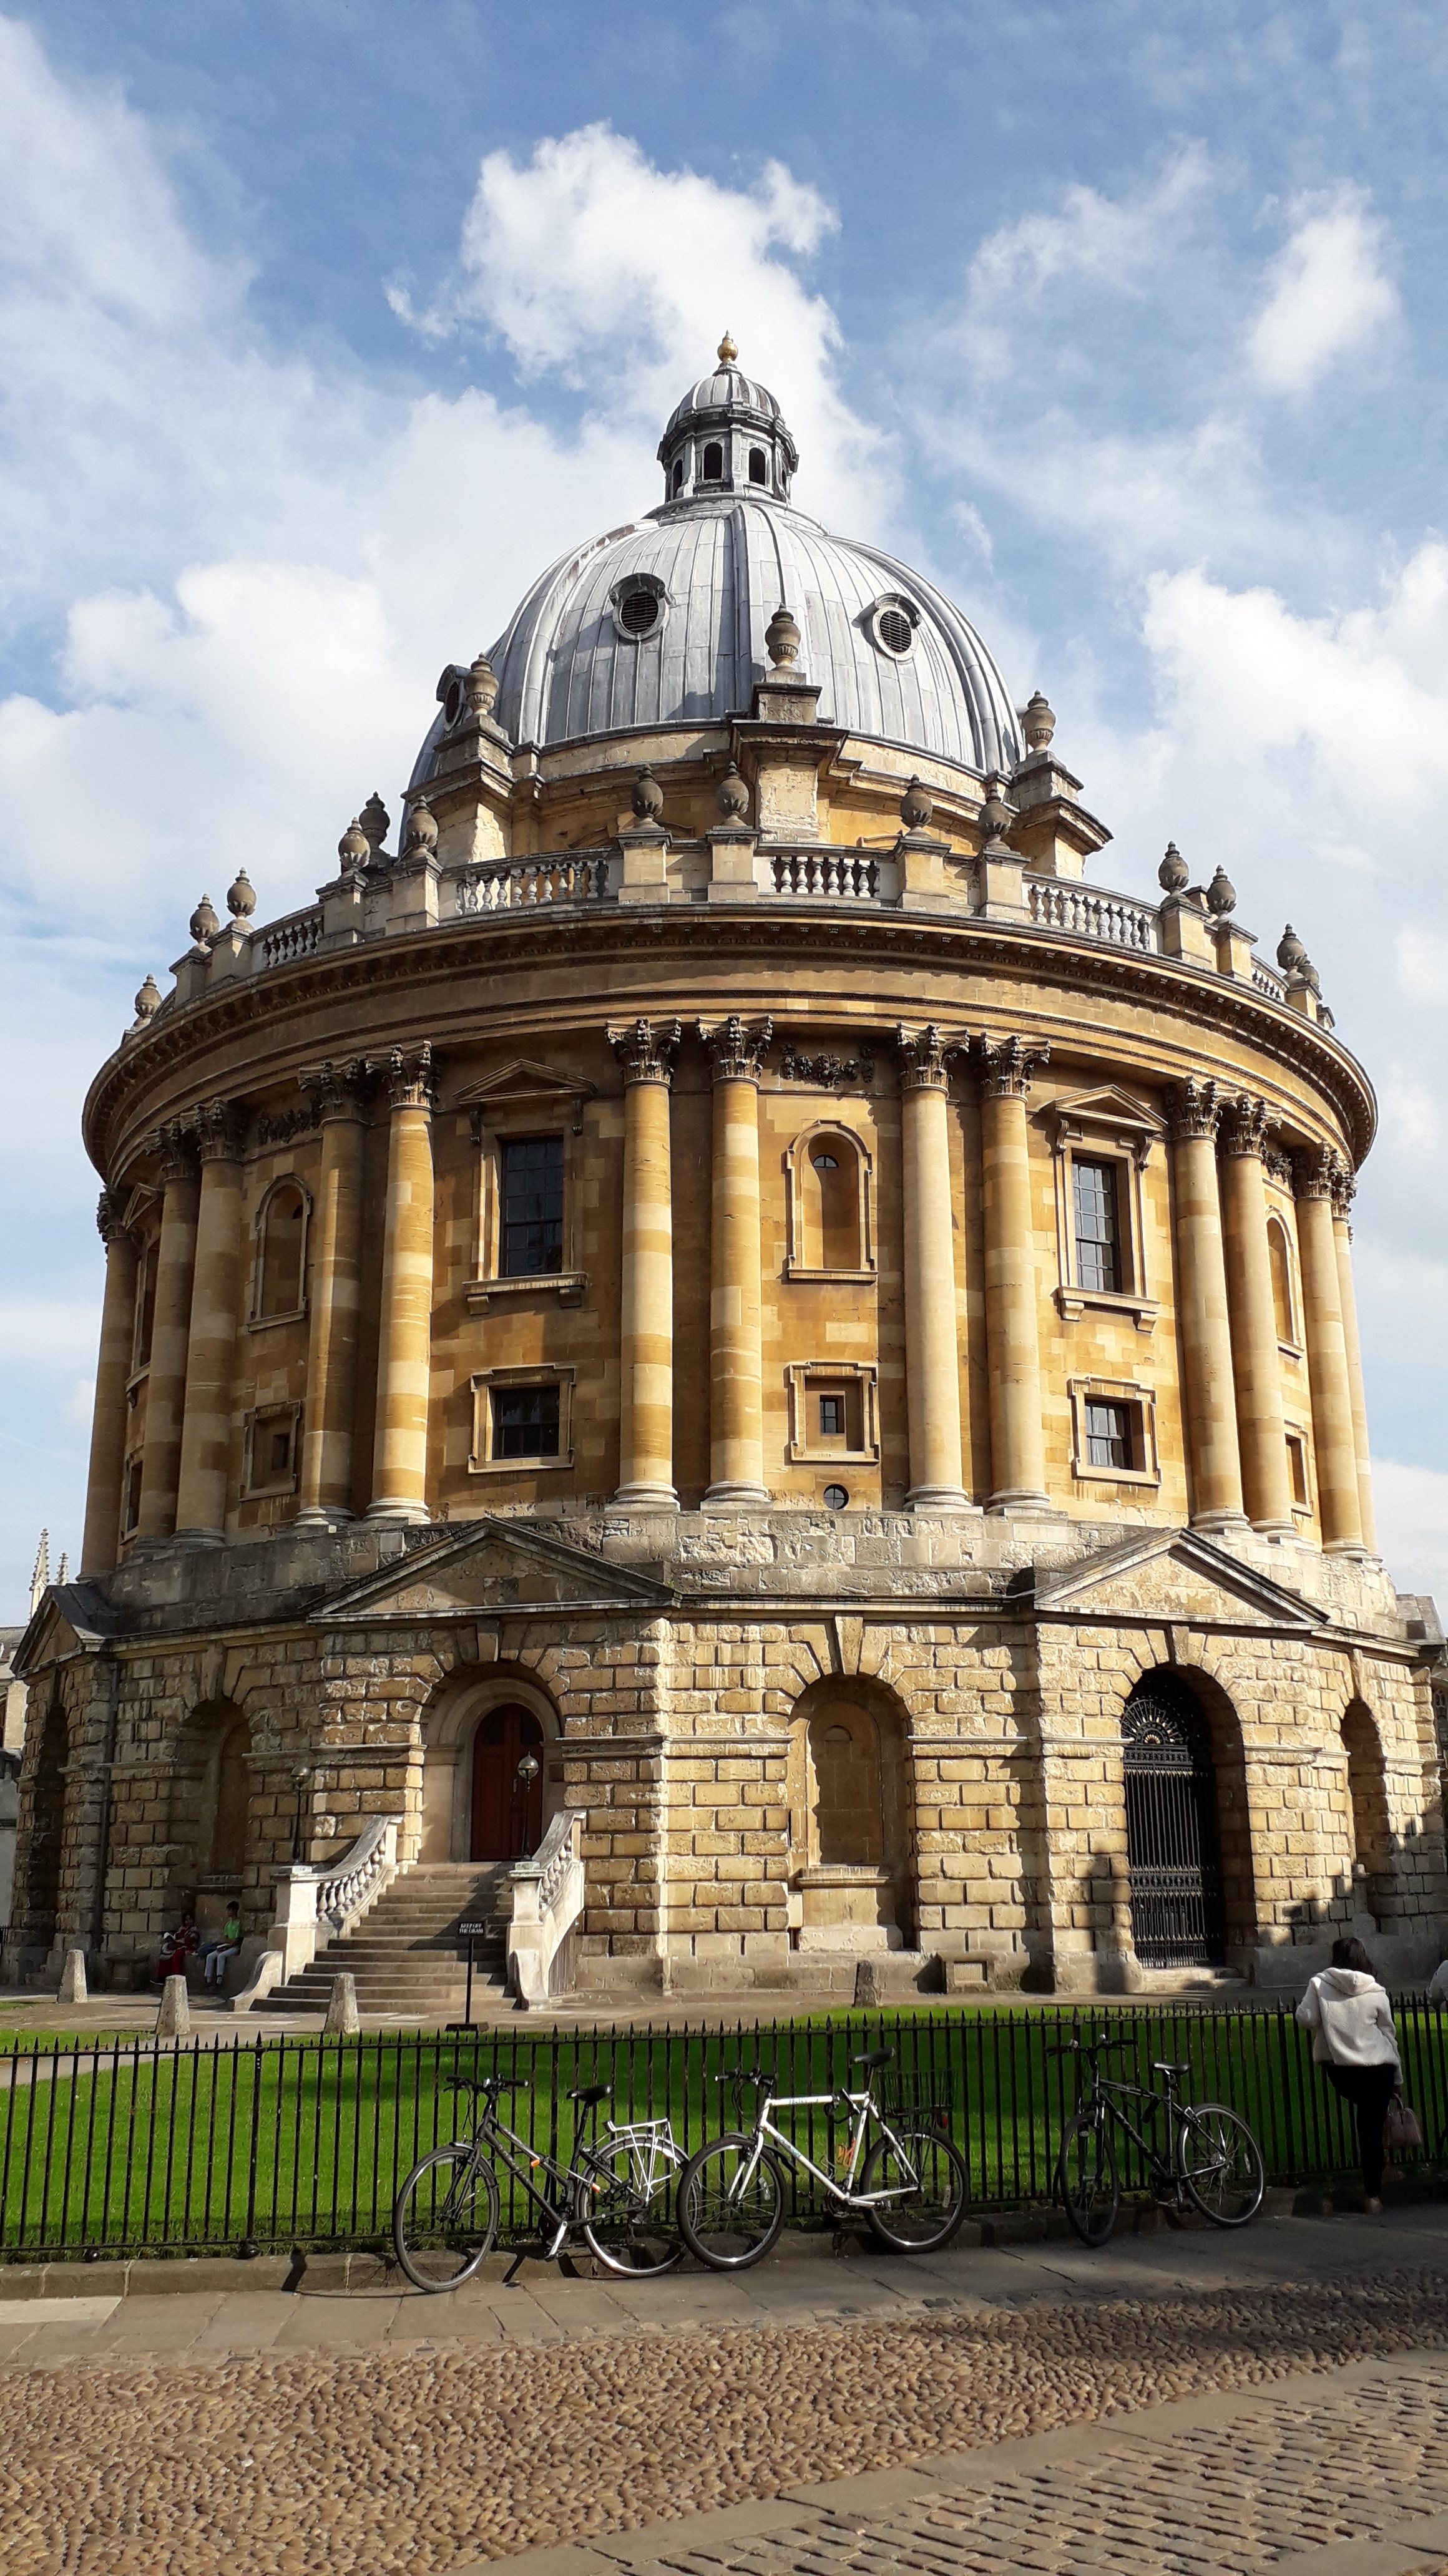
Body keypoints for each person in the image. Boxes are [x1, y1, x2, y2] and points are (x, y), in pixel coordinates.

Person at [1296, 1936, 1401, 2213]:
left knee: (1369, 2125)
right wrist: (1398, 2079)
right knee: (1372, 2126)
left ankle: (1376, 2185)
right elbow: (1389, 2037)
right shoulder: (1376, 1990)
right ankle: (1374, 2193)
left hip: (1343, 2070)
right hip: (1381, 2068)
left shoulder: (1319, 1984)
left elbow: (1305, 2018)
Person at [202, 1901, 244, 1989]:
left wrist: (230, 1943)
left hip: (234, 1947)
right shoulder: (228, 1925)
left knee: (221, 1956)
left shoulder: (238, 1923)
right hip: (226, 1946)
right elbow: (225, 1938)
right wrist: (227, 1944)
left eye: (230, 1910)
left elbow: (237, 1940)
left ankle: (219, 1980)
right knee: (210, 1956)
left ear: (235, 1910)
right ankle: (208, 1980)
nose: (228, 1912)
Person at [155, 1909, 198, 1986]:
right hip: (178, 1945)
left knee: (177, 1955)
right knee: (165, 1949)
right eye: (186, 1920)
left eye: (190, 1920)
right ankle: (162, 1976)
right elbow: (177, 1936)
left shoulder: (194, 1930)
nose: (188, 1922)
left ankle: (174, 1977)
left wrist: (184, 1939)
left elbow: (191, 1941)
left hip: (188, 1947)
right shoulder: (182, 1929)